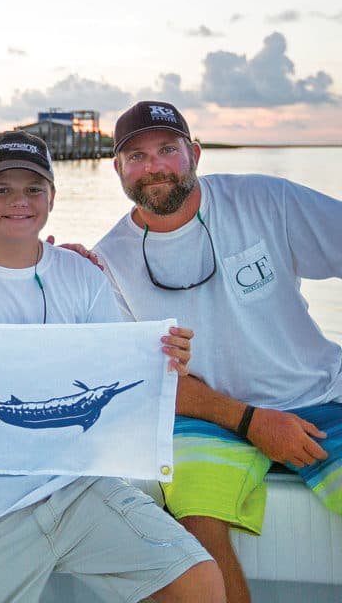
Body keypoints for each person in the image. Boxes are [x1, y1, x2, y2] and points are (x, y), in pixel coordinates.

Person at [0, 131, 224, 603]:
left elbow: (114, 371)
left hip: (77, 488)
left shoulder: (82, 275)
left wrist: (163, 362)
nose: (19, 202)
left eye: (33, 189)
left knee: (197, 581)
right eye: (1, 189)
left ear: (52, 197)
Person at [94, 101, 342, 603]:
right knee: (197, 532)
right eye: (136, 156)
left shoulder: (265, 200)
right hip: (205, 414)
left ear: (196, 154)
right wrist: (252, 422)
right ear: (117, 169)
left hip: (316, 391)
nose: (154, 166)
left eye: (168, 149)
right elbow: (148, 383)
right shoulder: (108, 260)